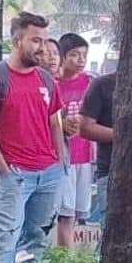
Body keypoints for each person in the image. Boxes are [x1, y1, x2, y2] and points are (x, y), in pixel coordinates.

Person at [0, 11, 66, 263]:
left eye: (45, 42)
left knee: (35, 240)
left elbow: (54, 122)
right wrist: (3, 170)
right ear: (16, 42)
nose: (43, 48)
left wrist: (60, 163)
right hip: (14, 173)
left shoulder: (46, 79)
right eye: (36, 41)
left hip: (48, 174)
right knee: (4, 239)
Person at [52, 33, 93, 248]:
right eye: (75, 55)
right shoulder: (53, 84)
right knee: (65, 214)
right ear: (62, 56)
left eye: (84, 55)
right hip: (64, 156)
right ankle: (63, 259)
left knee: (77, 212)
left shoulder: (89, 82)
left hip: (84, 154)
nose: (80, 60)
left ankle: (66, 256)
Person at [79, 68, 117, 232]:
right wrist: (127, 136)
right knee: (111, 230)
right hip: (111, 171)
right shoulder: (102, 84)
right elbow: (86, 128)